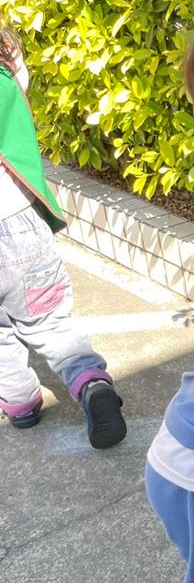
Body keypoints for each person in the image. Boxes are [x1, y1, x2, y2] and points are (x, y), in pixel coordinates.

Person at [0, 26, 126, 448]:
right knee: (50, 320)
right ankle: (90, 381)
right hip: (20, 218)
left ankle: (20, 403)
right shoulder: (7, 64)